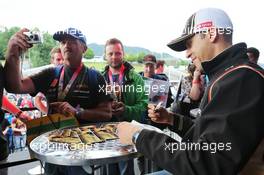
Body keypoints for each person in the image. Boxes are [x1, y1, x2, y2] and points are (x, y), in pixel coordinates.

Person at [117, 8, 264, 175]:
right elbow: (208, 136)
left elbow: (206, 161)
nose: (187, 54)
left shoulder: (240, 78)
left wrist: (138, 136)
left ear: (211, 33)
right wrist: (171, 119)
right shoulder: (228, 75)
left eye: (189, 44)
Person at [4, 27, 112, 175]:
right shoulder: (50, 73)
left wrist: (77, 112)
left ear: (84, 48)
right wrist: (12, 53)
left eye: (72, 41)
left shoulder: (97, 77)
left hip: (82, 153)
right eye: (63, 42)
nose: (66, 45)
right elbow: (15, 86)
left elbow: (107, 113)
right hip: (52, 150)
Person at [101, 38, 148, 175]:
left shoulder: (136, 79)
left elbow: (143, 106)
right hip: (105, 133)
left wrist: (126, 109)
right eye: (110, 54)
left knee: (125, 170)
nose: (114, 57)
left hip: (127, 131)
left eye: (118, 53)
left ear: (123, 54)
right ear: (105, 55)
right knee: (108, 170)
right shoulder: (99, 78)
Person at [34, 47, 64, 114]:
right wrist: (49, 114)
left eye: (64, 59)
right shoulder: (49, 78)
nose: (62, 62)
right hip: (55, 121)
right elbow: (37, 101)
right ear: (52, 61)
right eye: (58, 59)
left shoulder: (71, 75)